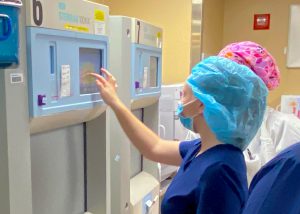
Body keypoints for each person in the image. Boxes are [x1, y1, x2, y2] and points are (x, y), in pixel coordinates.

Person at [89, 56, 268, 213]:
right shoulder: (202, 149)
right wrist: (114, 102)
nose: (180, 102)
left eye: (184, 95)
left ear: (201, 105)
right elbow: (154, 147)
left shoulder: (220, 170)